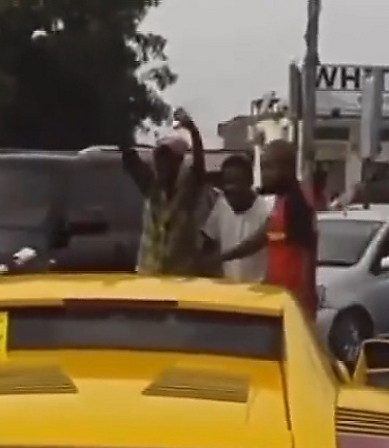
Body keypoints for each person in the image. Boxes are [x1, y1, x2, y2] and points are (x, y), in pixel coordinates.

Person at [218, 140, 317, 317]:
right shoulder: (281, 201)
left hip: (293, 303)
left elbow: (307, 256)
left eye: (269, 168)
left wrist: (304, 304)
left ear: (287, 168)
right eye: (262, 168)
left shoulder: (297, 203)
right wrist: (222, 257)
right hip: (277, 297)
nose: (263, 175)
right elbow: (260, 239)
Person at [120, 110, 209, 275]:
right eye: (158, 158)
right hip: (148, 273)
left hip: (180, 275)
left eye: (168, 159)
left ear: (179, 162)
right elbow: (130, 160)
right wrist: (123, 126)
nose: (161, 164)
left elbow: (198, 169)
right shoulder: (151, 189)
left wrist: (193, 131)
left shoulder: (186, 194)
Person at [201, 154, 272, 282]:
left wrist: (221, 258)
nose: (230, 187)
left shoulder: (267, 209)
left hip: (261, 291)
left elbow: (256, 243)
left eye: (237, 181)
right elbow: (208, 243)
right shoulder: (221, 206)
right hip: (231, 292)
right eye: (227, 182)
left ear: (250, 180)